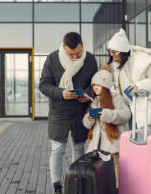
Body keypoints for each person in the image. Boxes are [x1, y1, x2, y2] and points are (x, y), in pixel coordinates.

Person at [39, 32, 98, 194]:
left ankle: (76, 182)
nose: (75, 56)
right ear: (63, 47)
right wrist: (61, 93)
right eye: (71, 54)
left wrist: (85, 95)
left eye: (78, 52)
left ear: (83, 44)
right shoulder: (52, 59)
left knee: (79, 147)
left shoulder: (90, 59)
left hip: (80, 112)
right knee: (58, 149)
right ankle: (56, 186)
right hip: (58, 113)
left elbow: (95, 85)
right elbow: (44, 85)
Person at [82, 68, 131, 189]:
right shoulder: (95, 101)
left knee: (116, 177)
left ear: (106, 85)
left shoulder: (116, 98)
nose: (95, 88)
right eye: (94, 85)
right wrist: (90, 119)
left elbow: (126, 115)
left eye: (99, 85)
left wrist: (106, 114)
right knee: (101, 177)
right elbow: (85, 123)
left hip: (112, 145)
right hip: (97, 147)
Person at [106, 28, 151, 131]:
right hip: (129, 107)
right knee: (134, 141)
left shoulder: (142, 60)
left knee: (149, 141)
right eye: (109, 51)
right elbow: (119, 85)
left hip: (144, 107)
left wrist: (139, 86)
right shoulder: (117, 64)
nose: (111, 55)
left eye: (114, 52)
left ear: (122, 51)